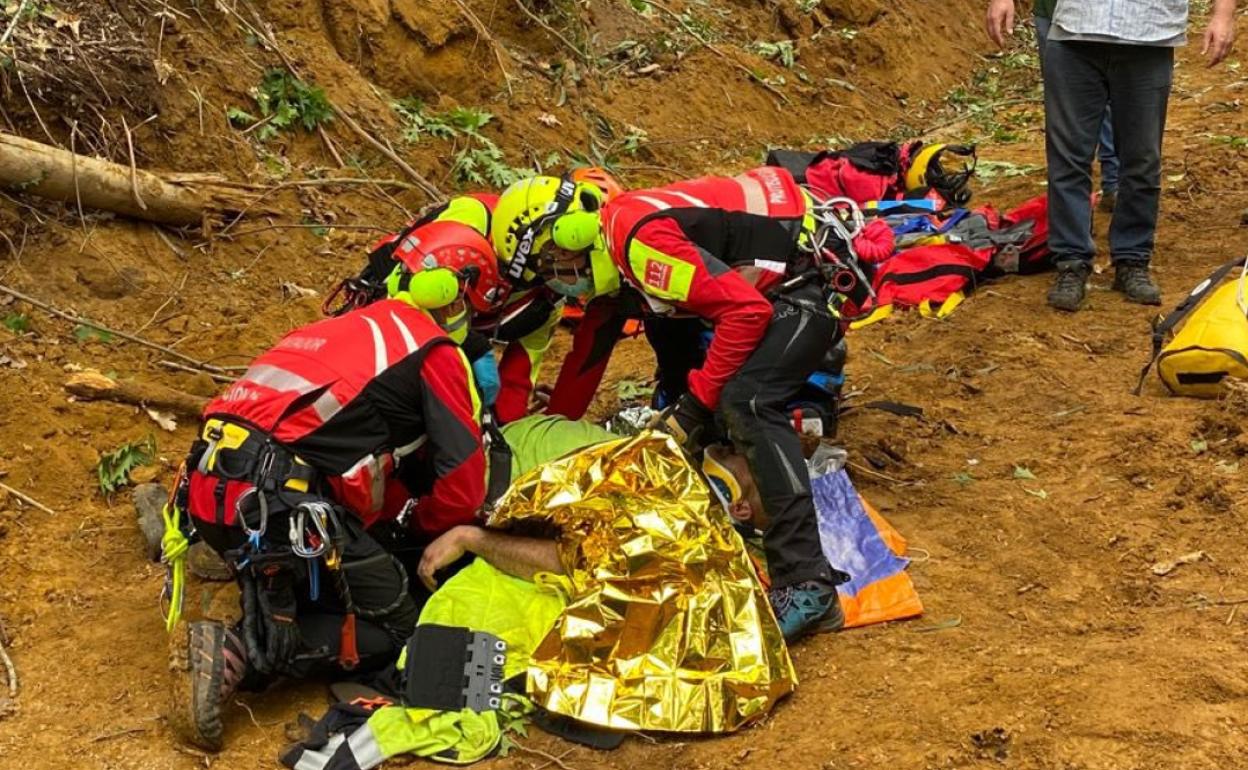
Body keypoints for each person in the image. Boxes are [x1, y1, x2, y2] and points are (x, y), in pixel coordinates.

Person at [168, 222, 502, 752]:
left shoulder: (351, 330)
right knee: (398, 628)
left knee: (327, 572)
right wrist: (420, 527)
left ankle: (259, 603)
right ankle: (237, 651)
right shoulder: (435, 351)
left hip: (210, 495)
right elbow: (463, 488)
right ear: (459, 294)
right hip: (282, 504)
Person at [489, 168, 851, 642]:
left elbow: (746, 312)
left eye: (551, 266)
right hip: (786, 267)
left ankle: (807, 583)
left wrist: (694, 407)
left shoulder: (637, 244)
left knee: (750, 402)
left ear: (568, 238)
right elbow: (589, 355)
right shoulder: (621, 254)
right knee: (699, 369)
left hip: (807, 274)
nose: (558, 284)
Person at [413, 416, 847, 631]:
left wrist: (473, 537)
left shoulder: (661, 515)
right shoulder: (657, 458)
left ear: (739, 508)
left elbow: (571, 560)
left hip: (453, 491)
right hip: (463, 452)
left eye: (745, 460)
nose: (729, 446)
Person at [325, 168, 625, 423]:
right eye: (573, 254)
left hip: (459, 332)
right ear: (532, 243)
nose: (583, 270)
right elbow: (403, 303)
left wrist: (502, 431)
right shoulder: (471, 220)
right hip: (386, 318)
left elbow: (517, 381)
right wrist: (474, 347)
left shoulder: (544, 300)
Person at [992, 0, 1236, 312]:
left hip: (1149, 31)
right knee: (1068, 156)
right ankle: (1071, 261)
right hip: (1075, 29)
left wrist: (1223, 14)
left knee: (1142, 158)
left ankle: (1132, 260)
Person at [986, 0, 1120, 213]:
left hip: (1116, 16)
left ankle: (1114, 182)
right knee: (1068, 117)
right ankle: (1075, 220)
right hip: (1055, 13)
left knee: (1108, 94)